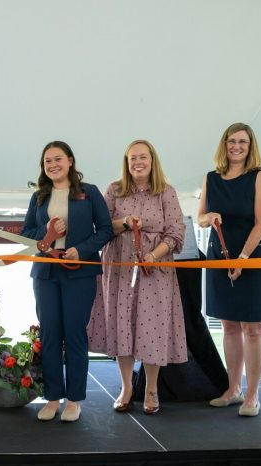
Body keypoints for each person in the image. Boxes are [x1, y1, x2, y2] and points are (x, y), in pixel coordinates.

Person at [87, 140, 188, 415]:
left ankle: (151, 389)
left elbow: (177, 232)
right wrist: (125, 223)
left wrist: (153, 256)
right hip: (119, 268)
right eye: (132, 158)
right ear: (126, 162)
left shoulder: (166, 192)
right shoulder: (114, 190)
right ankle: (126, 387)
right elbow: (102, 227)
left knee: (152, 327)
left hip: (155, 270)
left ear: (152, 160)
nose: (137, 162)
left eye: (142, 157)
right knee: (121, 323)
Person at [22, 140, 112, 423]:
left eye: (58, 159)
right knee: (49, 335)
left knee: (74, 334)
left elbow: (106, 230)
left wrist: (82, 249)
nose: (52, 165)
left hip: (79, 274)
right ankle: (52, 398)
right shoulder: (38, 197)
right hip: (45, 273)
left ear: (70, 161)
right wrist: (46, 232)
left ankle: (74, 400)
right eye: (47, 161)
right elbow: (28, 234)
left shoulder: (90, 193)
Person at [197, 122, 261, 417]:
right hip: (219, 255)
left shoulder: (260, 177)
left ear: (250, 145)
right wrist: (209, 217)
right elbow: (200, 216)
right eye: (231, 141)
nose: (236, 146)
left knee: (253, 329)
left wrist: (243, 258)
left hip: (253, 256)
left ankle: (253, 396)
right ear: (224, 144)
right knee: (229, 325)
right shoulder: (211, 178)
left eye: (242, 142)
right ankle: (233, 389)